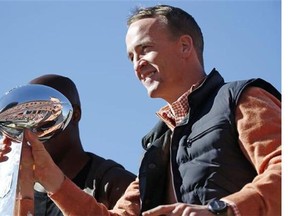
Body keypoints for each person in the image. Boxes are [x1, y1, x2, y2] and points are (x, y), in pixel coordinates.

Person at [1, 4, 281, 216]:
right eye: (131, 57)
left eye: (145, 49)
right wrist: (52, 179)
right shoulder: (155, 145)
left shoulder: (242, 98)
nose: (137, 64)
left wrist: (221, 210)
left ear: (185, 46)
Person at [0, 74, 136, 215]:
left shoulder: (114, 182)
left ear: (74, 114)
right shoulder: (16, 189)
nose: (33, 127)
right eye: (26, 117)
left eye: (45, 113)